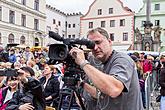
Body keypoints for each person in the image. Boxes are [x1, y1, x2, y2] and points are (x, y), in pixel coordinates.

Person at [69, 27, 144, 110]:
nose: (95, 48)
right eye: (91, 45)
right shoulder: (104, 63)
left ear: (109, 42)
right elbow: (101, 94)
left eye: (98, 42)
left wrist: (83, 63)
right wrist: (81, 84)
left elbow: (114, 89)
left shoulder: (122, 59)